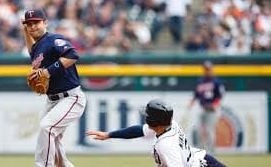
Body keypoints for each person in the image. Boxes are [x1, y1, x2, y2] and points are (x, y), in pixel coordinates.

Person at [21, 9, 86, 167]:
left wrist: (47, 72)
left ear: (45, 22)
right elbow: (32, 52)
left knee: (47, 128)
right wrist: (25, 33)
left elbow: (72, 55)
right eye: (29, 24)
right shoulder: (38, 46)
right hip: (53, 100)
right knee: (53, 139)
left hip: (71, 98)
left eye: (36, 23)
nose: (32, 27)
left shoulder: (54, 39)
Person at [87, 99, 226, 167]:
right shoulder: (167, 126)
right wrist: (109, 135)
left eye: (147, 115)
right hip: (203, 160)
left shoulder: (165, 144)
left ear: (154, 120)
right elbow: (137, 130)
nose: (145, 117)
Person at [188, 61, 225, 154]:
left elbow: (220, 95)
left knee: (209, 131)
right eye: (205, 69)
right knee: (198, 130)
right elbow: (196, 94)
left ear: (212, 69)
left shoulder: (216, 82)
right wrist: (192, 102)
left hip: (212, 110)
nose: (207, 71)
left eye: (208, 69)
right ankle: (199, 153)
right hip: (202, 108)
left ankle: (212, 153)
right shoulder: (200, 81)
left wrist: (215, 105)